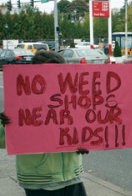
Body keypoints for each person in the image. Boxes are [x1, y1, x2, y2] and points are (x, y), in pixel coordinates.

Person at [0, 51, 89, 196]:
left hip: (72, 176)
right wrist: (4, 124)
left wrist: (85, 143)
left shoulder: (72, 102)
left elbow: (81, 132)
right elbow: (2, 141)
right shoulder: (21, 104)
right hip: (38, 181)